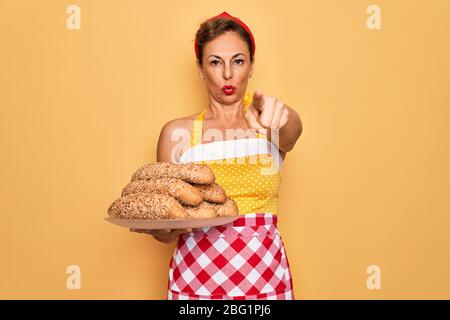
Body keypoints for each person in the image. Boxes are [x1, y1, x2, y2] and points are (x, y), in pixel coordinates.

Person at [131, 11, 302, 300]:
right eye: (215, 62)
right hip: (196, 281)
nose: (227, 74)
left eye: (238, 61)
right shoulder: (176, 134)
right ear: (200, 68)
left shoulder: (268, 121)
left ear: (251, 66)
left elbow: (292, 132)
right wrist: (159, 227)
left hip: (265, 279)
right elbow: (168, 234)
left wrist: (282, 117)